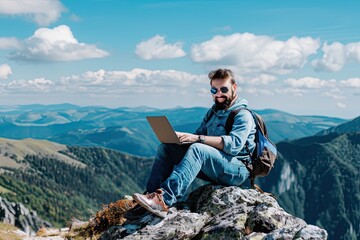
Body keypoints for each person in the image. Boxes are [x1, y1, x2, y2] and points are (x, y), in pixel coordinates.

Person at [129, 68, 256, 219]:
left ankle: (164, 199)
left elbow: (234, 145)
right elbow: (198, 135)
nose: (218, 94)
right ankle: (151, 196)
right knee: (166, 147)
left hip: (237, 170)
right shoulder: (213, 112)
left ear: (234, 87)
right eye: (214, 90)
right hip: (215, 165)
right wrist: (180, 138)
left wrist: (197, 139)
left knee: (198, 149)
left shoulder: (243, 115)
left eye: (223, 89)